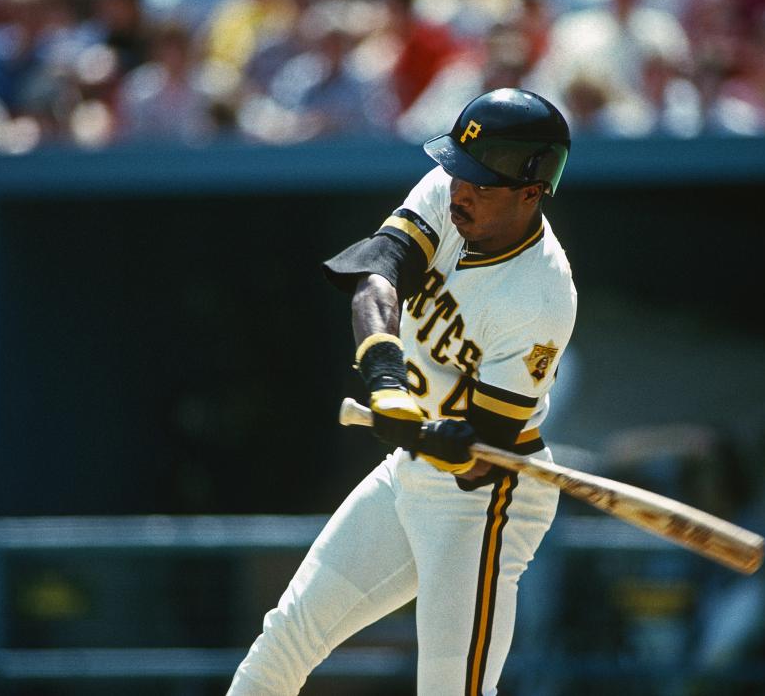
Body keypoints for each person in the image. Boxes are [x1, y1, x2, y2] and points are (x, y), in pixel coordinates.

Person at [227, 87, 577, 695]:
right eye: (458, 172)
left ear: (530, 191)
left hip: (489, 496)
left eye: (481, 183)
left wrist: (444, 437)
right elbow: (377, 274)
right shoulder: (445, 193)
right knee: (286, 635)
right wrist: (387, 383)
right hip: (412, 466)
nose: (460, 189)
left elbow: (485, 443)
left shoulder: (544, 295)